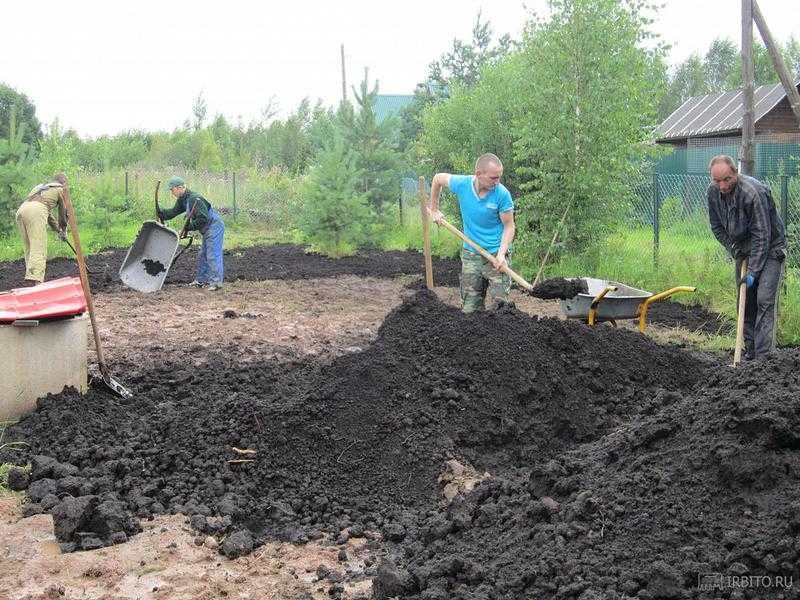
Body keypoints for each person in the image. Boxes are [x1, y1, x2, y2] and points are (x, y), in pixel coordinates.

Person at [707, 154, 786, 360]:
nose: (722, 186)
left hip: (770, 249)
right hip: (743, 249)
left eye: (726, 179)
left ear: (735, 173)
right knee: (745, 301)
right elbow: (716, 227)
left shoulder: (752, 193)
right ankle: (750, 353)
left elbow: (762, 235)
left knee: (763, 300)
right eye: (717, 181)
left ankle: (763, 359)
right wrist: (733, 248)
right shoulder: (713, 193)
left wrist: (753, 272)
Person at [429, 153, 516, 313]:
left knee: (501, 309)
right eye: (493, 178)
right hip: (471, 255)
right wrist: (434, 210)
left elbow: (509, 227)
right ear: (478, 174)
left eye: (499, 177)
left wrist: (502, 255)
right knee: (470, 310)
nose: (497, 182)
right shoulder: (462, 184)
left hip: (496, 255)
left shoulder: (502, 194)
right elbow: (437, 179)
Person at [158, 176, 225, 290]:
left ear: (180, 188)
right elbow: (173, 212)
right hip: (206, 228)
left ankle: (216, 283)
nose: (172, 193)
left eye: (172, 190)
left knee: (212, 255)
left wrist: (189, 227)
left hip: (214, 226)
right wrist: (162, 213)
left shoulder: (194, 198)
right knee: (203, 255)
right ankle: (201, 281)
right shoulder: (183, 200)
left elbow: (203, 218)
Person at [15, 173, 69, 285]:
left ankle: (31, 275)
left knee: (29, 246)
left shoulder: (40, 187)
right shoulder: (60, 189)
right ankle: (38, 283)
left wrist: (58, 230)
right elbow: (62, 216)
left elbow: (47, 214)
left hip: (22, 210)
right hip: (36, 212)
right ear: (63, 183)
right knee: (39, 246)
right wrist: (64, 231)